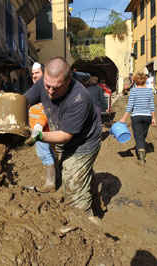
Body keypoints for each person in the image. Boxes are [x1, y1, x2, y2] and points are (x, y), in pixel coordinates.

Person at [24, 57, 102, 223]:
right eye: (47, 86)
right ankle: (95, 200)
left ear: (68, 81)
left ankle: (86, 226)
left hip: (83, 143)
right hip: (62, 138)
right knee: (75, 174)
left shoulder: (80, 98)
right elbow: (25, 101)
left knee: (73, 187)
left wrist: (38, 135)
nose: (50, 92)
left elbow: (65, 135)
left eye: (56, 88)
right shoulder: (44, 83)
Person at [28, 62, 56, 192]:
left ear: (43, 72)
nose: (34, 76)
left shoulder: (46, 87)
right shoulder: (39, 87)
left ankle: (50, 184)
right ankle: (56, 178)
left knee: (44, 153)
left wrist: (38, 127)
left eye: (37, 72)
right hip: (43, 127)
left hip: (44, 128)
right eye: (32, 73)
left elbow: (48, 109)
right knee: (49, 152)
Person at [119, 72, 156, 164]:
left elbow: (130, 106)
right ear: (145, 80)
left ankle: (141, 155)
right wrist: (153, 118)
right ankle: (141, 147)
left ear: (135, 81)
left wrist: (124, 118)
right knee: (143, 135)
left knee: (138, 136)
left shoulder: (133, 91)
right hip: (147, 117)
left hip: (136, 117)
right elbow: (152, 105)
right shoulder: (149, 91)